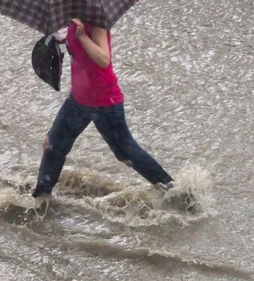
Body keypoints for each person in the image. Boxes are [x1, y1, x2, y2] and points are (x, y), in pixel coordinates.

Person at [33, 18, 173, 198]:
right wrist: (57, 37)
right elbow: (74, 43)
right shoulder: (74, 20)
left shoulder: (97, 21)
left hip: (104, 101)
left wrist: (83, 36)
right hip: (78, 99)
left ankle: (172, 191)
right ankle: (41, 199)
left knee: (125, 153)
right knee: (52, 144)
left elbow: (103, 59)